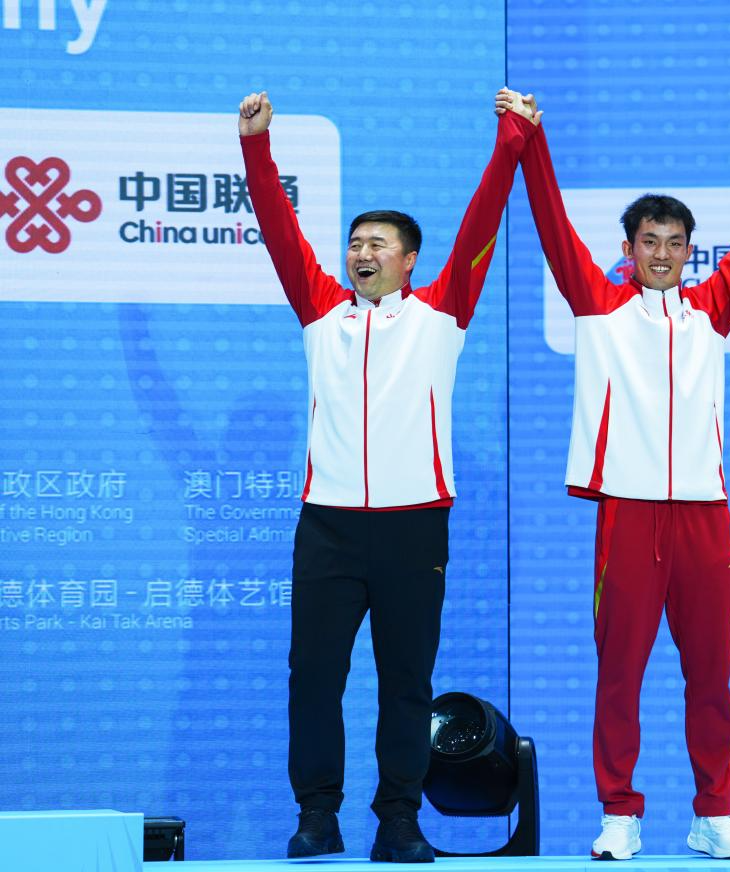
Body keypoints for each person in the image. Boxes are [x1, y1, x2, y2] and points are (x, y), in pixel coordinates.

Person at [496, 82, 730, 860]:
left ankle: (715, 813)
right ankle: (620, 813)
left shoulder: (714, 310)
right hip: (629, 515)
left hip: (704, 514)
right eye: (648, 241)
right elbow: (550, 219)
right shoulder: (596, 304)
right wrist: (532, 140)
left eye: (674, 242)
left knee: (711, 678)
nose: (661, 254)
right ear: (628, 247)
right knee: (620, 676)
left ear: (690, 251)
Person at [238, 90, 538, 861]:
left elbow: (481, 223)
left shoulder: (443, 314)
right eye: (353, 243)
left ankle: (398, 820)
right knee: (313, 678)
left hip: (414, 526)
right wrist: (256, 148)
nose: (360, 253)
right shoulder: (320, 311)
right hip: (329, 525)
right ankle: (317, 816)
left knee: (407, 682)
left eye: (377, 243)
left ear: (408, 260)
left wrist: (511, 140)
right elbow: (279, 230)